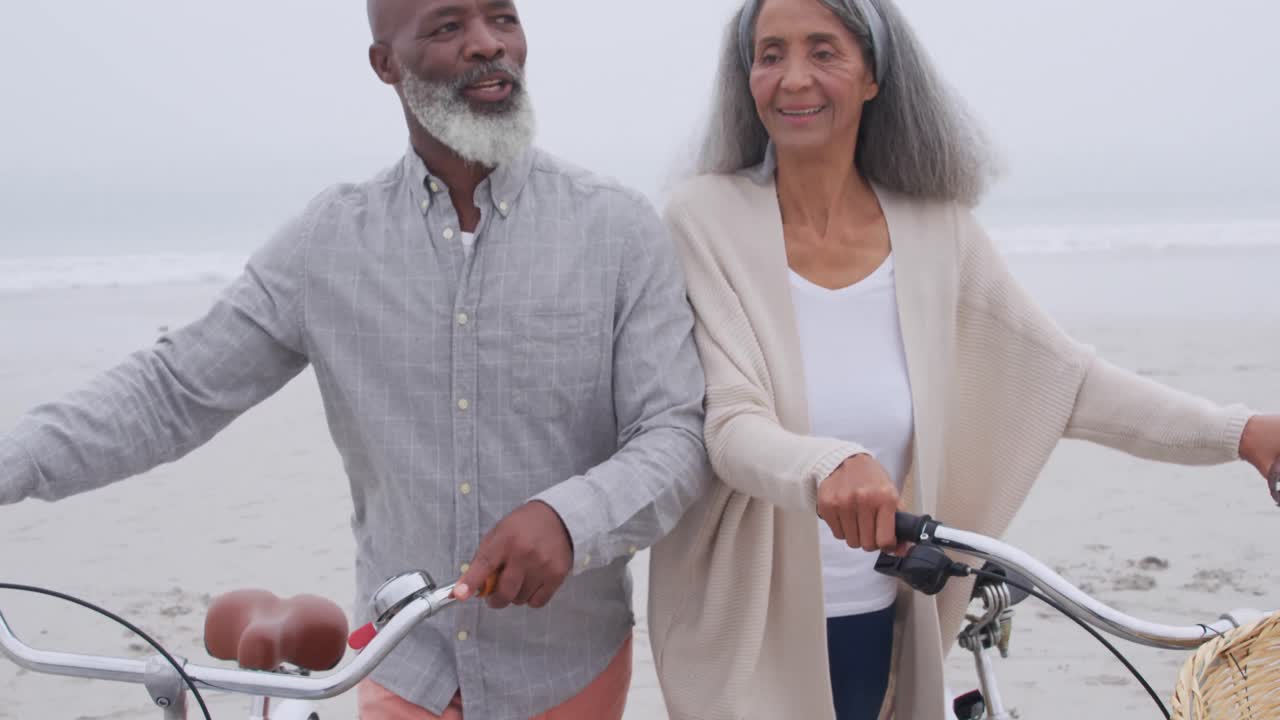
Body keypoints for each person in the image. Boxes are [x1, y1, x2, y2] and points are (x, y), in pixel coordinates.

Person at [0, 1, 711, 718]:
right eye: (447, 27)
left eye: (503, 18)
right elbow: (173, 390)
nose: (486, 45)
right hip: (404, 666)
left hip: (568, 667)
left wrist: (568, 518)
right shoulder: (329, 242)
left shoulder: (619, 231)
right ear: (385, 64)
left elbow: (676, 436)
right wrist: (12, 464)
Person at [645, 0, 1280, 718]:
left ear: (875, 74)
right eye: (770, 54)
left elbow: (1067, 384)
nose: (793, 79)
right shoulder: (701, 219)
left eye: (824, 52)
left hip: (887, 620)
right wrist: (825, 464)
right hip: (742, 633)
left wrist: (1242, 433)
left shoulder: (936, 231)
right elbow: (729, 423)